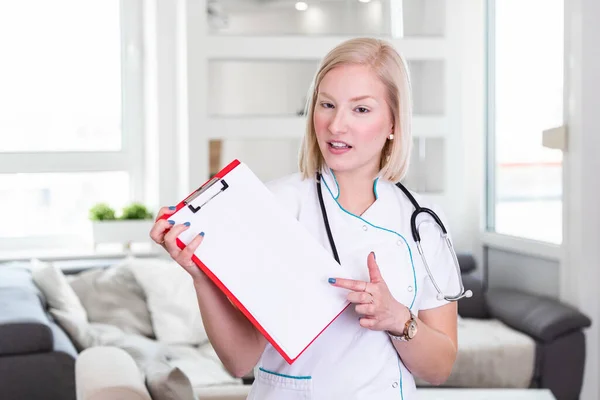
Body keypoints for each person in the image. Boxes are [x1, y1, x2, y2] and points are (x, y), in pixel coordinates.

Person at [150, 37, 459, 399]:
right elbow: (239, 361)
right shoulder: (273, 206)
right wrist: (202, 277)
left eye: (360, 110)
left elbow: (440, 367)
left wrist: (398, 319)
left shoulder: (423, 222)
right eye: (327, 105)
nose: (336, 125)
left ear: (393, 122)